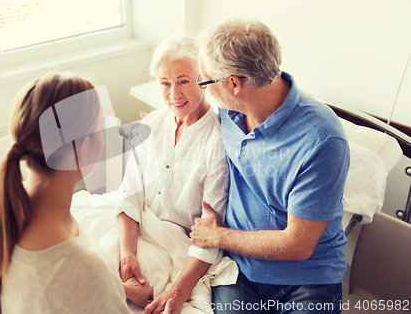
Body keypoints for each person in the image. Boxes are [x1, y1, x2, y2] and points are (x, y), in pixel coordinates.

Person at [189, 18, 350, 314]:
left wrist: (217, 236)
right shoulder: (227, 113)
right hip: (238, 271)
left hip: (308, 278)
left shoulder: (321, 138)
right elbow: (183, 121)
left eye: (204, 80)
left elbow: (298, 245)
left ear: (234, 84)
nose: (202, 88)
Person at [0, 72, 132, 314]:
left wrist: (118, 290)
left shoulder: (4, 206)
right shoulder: (83, 266)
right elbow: (70, 283)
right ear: (83, 149)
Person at [116, 34, 230, 314]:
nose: (174, 94)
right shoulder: (152, 123)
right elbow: (129, 195)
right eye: (165, 83)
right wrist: (127, 253)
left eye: (183, 81)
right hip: (133, 232)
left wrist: (179, 290)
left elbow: (210, 231)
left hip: (176, 246)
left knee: (140, 290)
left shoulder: (218, 141)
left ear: (203, 78)